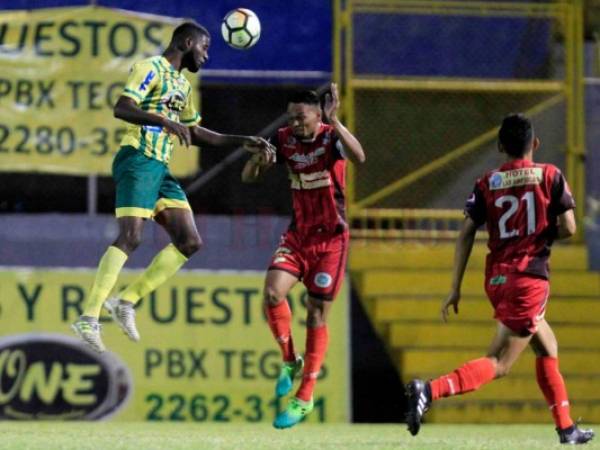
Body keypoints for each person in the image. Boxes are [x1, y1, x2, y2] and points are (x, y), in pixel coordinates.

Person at [72, 22, 273, 353]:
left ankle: (126, 301)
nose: (206, 55)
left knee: (189, 241)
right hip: (137, 158)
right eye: (205, 48)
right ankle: (89, 316)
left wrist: (243, 142)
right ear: (188, 42)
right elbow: (122, 107)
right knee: (131, 237)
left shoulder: (182, 85)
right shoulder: (151, 68)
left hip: (160, 168)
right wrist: (165, 121)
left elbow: (195, 133)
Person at [405, 114, 594, 445]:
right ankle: (429, 390)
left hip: (497, 279)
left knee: (547, 345)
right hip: (528, 279)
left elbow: (465, 234)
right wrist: (541, 235)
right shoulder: (550, 175)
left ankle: (566, 428)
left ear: (500, 146)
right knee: (499, 362)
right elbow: (570, 227)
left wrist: (454, 287)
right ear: (534, 143)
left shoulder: (486, 182)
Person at [241, 84, 365, 429]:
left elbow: (359, 157)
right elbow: (248, 178)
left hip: (332, 241)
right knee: (271, 293)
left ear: (316, 114)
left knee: (315, 314)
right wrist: (257, 161)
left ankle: (305, 396)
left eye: (301, 116)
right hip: (298, 236)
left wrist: (337, 121)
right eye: (291, 116)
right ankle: (289, 360)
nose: (295, 122)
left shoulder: (330, 138)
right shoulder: (283, 140)